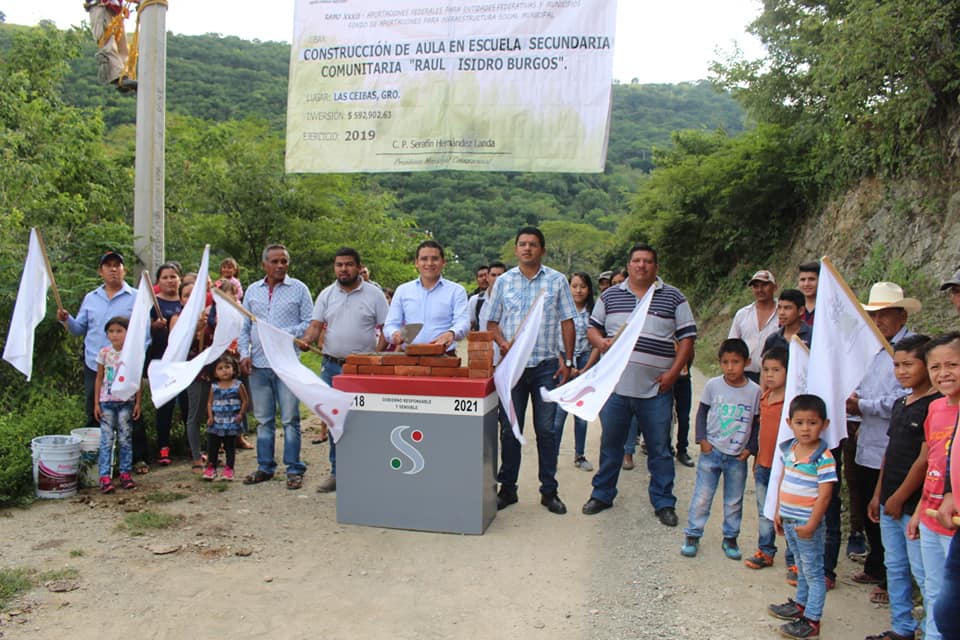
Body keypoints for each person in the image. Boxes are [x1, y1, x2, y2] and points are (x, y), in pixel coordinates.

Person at [580, 243, 697, 526]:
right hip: (616, 389)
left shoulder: (673, 297)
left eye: (647, 261)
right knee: (611, 445)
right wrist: (601, 342)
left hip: (656, 390)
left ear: (656, 267)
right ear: (629, 265)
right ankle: (602, 493)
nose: (641, 265)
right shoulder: (610, 296)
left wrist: (673, 372)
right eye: (636, 261)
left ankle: (663, 501)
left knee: (659, 448)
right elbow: (592, 328)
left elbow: (687, 338)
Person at [486, 227, 576, 515]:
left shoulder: (557, 280)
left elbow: (567, 321)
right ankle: (508, 489)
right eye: (522, 244)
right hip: (512, 369)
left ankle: (549, 491)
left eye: (533, 244)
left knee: (546, 431)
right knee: (510, 430)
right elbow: (491, 322)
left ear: (542, 250)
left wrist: (569, 360)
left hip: (545, 367)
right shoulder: (503, 282)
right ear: (515, 250)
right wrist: (503, 344)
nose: (527, 249)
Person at [847, 282, 919, 601]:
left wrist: (862, 405)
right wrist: (855, 402)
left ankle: (893, 579)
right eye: (875, 315)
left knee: (889, 509)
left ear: (901, 315)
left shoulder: (910, 351)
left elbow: (903, 398)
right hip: (868, 440)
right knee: (866, 504)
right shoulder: (876, 349)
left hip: (895, 445)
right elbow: (864, 388)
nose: (879, 321)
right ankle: (876, 564)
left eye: (885, 314)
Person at [866, 335, 938, 640]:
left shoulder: (934, 406)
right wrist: (879, 493)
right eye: (896, 365)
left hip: (913, 504)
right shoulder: (900, 403)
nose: (901, 371)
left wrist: (899, 497)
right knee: (894, 565)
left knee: (924, 574)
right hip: (889, 498)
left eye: (909, 364)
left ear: (926, 365)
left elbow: (924, 460)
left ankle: (932, 629)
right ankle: (902, 627)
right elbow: (890, 450)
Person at [301, 247, 389, 493]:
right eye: (339, 265)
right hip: (332, 367)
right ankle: (338, 472)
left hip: (363, 370)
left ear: (359, 267)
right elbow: (316, 326)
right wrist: (306, 340)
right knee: (334, 421)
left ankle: (368, 471)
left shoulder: (374, 294)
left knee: (365, 420)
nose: (343, 269)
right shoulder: (327, 294)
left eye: (349, 264)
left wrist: (378, 355)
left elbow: (387, 328)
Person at [239, 244, 313, 490]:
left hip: (287, 364)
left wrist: (283, 334)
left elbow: (309, 323)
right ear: (265, 265)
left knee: (291, 418)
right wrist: (243, 353)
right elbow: (245, 326)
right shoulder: (252, 290)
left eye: (284, 261)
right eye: (275, 261)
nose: (280, 266)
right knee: (263, 419)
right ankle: (265, 467)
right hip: (259, 364)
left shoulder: (299, 289)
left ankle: (294, 468)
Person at [681, 338, 760, 559]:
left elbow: (757, 421)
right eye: (725, 362)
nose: (730, 367)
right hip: (712, 451)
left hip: (738, 456)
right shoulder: (713, 385)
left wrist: (751, 448)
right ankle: (693, 534)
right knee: (702, 496)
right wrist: (702, 439)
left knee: (734, 500)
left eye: (735, 362)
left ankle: (731, 538)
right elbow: (702, 413)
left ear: (747, 362)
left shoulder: (755, 391)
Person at [768, 394, 838, 640]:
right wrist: (778, 511)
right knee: (800, 565)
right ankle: (800, 605)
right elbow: (784, 481)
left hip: (808, 523)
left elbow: (825, 496)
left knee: (813, 572)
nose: (805, 428)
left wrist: (811, 524)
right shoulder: (791, 449)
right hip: (789, 520)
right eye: (800, 422)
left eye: (812, 422)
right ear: (790, 423)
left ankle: (812, 620)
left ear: (824, 424)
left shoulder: (824, 458)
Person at [908, 332, 960, 640]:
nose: (943, 374)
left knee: (951, 603)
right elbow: (932, 464)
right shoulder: (936, 408)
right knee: (932, 590)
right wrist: (918, 510)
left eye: (952, 364)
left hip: (953, 524)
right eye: (935, 367)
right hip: (930, 516)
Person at [57, 251, 137, 430]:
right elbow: (78, 330)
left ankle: (135, 455)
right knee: (94, 409)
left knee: (129, 410)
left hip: (125, 364)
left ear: (124, 270)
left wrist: (137, 357)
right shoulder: (91, 298)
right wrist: (66, 319)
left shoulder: (136, 297)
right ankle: (94, 451)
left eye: (117, 265)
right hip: (95, 364)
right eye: (108, 266)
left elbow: (143, 333)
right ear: (100, 271)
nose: (113, 269)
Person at [745, 346, 788, 570]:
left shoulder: (792, 403)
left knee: (787, 514)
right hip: (763, 464)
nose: (769, 375)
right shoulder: (764, 398)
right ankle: (765, 550)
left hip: (787, 469)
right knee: (764, 510)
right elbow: (760, 431)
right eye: (765, 370)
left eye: (776, 370)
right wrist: (756, 458)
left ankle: (793, 560)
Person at [552, 272, 600, 472]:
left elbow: (598, 343)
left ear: (589, 290)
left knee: (580, 413)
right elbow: (553, 342)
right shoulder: (559, 312)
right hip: (564, 361)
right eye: (574, 286)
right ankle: (551, 455)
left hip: (586, 362)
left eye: (582, 286)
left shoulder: (595, 312)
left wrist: (585, 369)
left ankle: (579, 455)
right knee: (559, 413)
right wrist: (565, 364)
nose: (578, 290)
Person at [385, 240, 470, 352]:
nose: (429, 263)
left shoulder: (456, 291)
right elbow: (390, 324)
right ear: (416, 262)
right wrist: (394, 334)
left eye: (435, 259)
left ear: (443, 262)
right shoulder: (403, 290)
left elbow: (463, 322)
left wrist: (451, 333)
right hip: (408, 357)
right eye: (424, 259)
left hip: (444, 358)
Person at [169, 279, 212, 472]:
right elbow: (177, 342)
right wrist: (196, 327)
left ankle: (212, 453)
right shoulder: (177, 318)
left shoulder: (210, 315)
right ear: (180, 298)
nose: (191, 299)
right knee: (194, 414)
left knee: (213, 414)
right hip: (193, 372)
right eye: (187, 295)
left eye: (195, 295)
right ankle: (196, 456)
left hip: (214, 370)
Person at [94, 316, 140, 493]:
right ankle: (104, 476)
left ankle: (125, 473)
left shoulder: (131, 353)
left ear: (128, 333)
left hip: (126, 401)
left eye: (119, 331)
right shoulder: (104, 353)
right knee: (106, 440)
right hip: (106, 402)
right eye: (111, 331)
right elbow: (99, 378)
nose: (115, 335)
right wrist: (96, 403)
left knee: (125, 438)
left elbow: (136, 379)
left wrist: (138, 403)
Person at [149, 262, 184, 468]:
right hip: (161, 362)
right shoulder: (153, 304)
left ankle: (192, 445)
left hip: (185, 362)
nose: (170, 280)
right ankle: (163, 447)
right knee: (164, 407)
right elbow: (141, 331)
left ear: (179, 279)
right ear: (158, 281)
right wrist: (154, 326)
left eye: (173, 276)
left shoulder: (187, 301)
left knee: (189, 406)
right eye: (165, 277)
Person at [204, 354, 249, 482]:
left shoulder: (238, 385)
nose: (224, 370)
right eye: (220, 368)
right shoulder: (214, 386)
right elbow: (209, 402)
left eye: (227, 367)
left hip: (231, 422)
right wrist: (210, 416)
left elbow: (245, 401)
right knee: (213, 445)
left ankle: (229, 469)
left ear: (234, 369)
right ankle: (211, 467)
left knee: (230, 446)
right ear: (215, 372)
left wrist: (241, 414)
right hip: (216, 422)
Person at [728, 270, 779, 384]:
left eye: (765, 285)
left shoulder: (783, 313)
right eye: (756, 286)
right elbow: (732, 344)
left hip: (773, 376)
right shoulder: (742, 314)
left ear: (775, 287)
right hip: (745, 374)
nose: (760, 290)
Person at [84, 0, 138, 92]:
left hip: (114, 11)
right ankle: (118, 76)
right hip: (101, 7)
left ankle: (124, 76)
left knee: (123, 47)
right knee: (107, 42)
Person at [762, 288, 812, 354]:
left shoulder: (813, 335)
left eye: (787, 308)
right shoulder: (772, 339)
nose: (781, 313)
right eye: (779, 307)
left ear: (801, 311)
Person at [798, 261, 819, 326]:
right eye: (803, 279)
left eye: (811, 279)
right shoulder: (794, 308)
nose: (806, 284)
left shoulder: (831, 308)